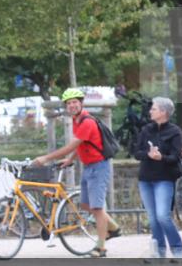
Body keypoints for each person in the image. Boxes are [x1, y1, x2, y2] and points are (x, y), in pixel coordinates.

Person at [32, 88, 122, 257]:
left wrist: (46, 158)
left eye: (75, 102)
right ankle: (114, 228)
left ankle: (100, 247)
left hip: (99, 167)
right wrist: (71, 159)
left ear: (81, 103)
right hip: (88, 166)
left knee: (97, 207)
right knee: (86, 205)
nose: (72, 105)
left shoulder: (87, 122)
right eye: (69, 103)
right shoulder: (77, 120)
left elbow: (70, 146)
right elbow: (80, 144)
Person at [132, 96, 182, 260]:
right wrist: (148, 154)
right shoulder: (146, 129)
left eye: (153, 109)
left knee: (163, 216)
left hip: (164, 178)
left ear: (163, 112)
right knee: (153, 218)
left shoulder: (175, 131)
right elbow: (136, 153)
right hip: (145, 178)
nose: (150, 111)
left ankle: (178, 250)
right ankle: (158, 251)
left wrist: (161, 157)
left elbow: (176, 157)